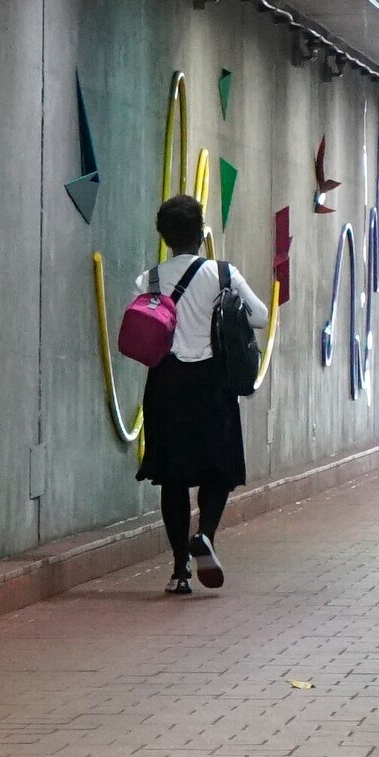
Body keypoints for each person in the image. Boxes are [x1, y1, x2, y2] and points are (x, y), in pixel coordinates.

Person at [131, 193, 269, 597]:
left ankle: (178, 572)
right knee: (218, 469)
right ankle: (205, 534)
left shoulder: (149, 279)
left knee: (172, 478)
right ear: (200, 231)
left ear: (164, 235)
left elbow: (139, 327)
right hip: (212, 384)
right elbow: (259, 315)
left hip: (166, 384)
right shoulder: (222, 273)